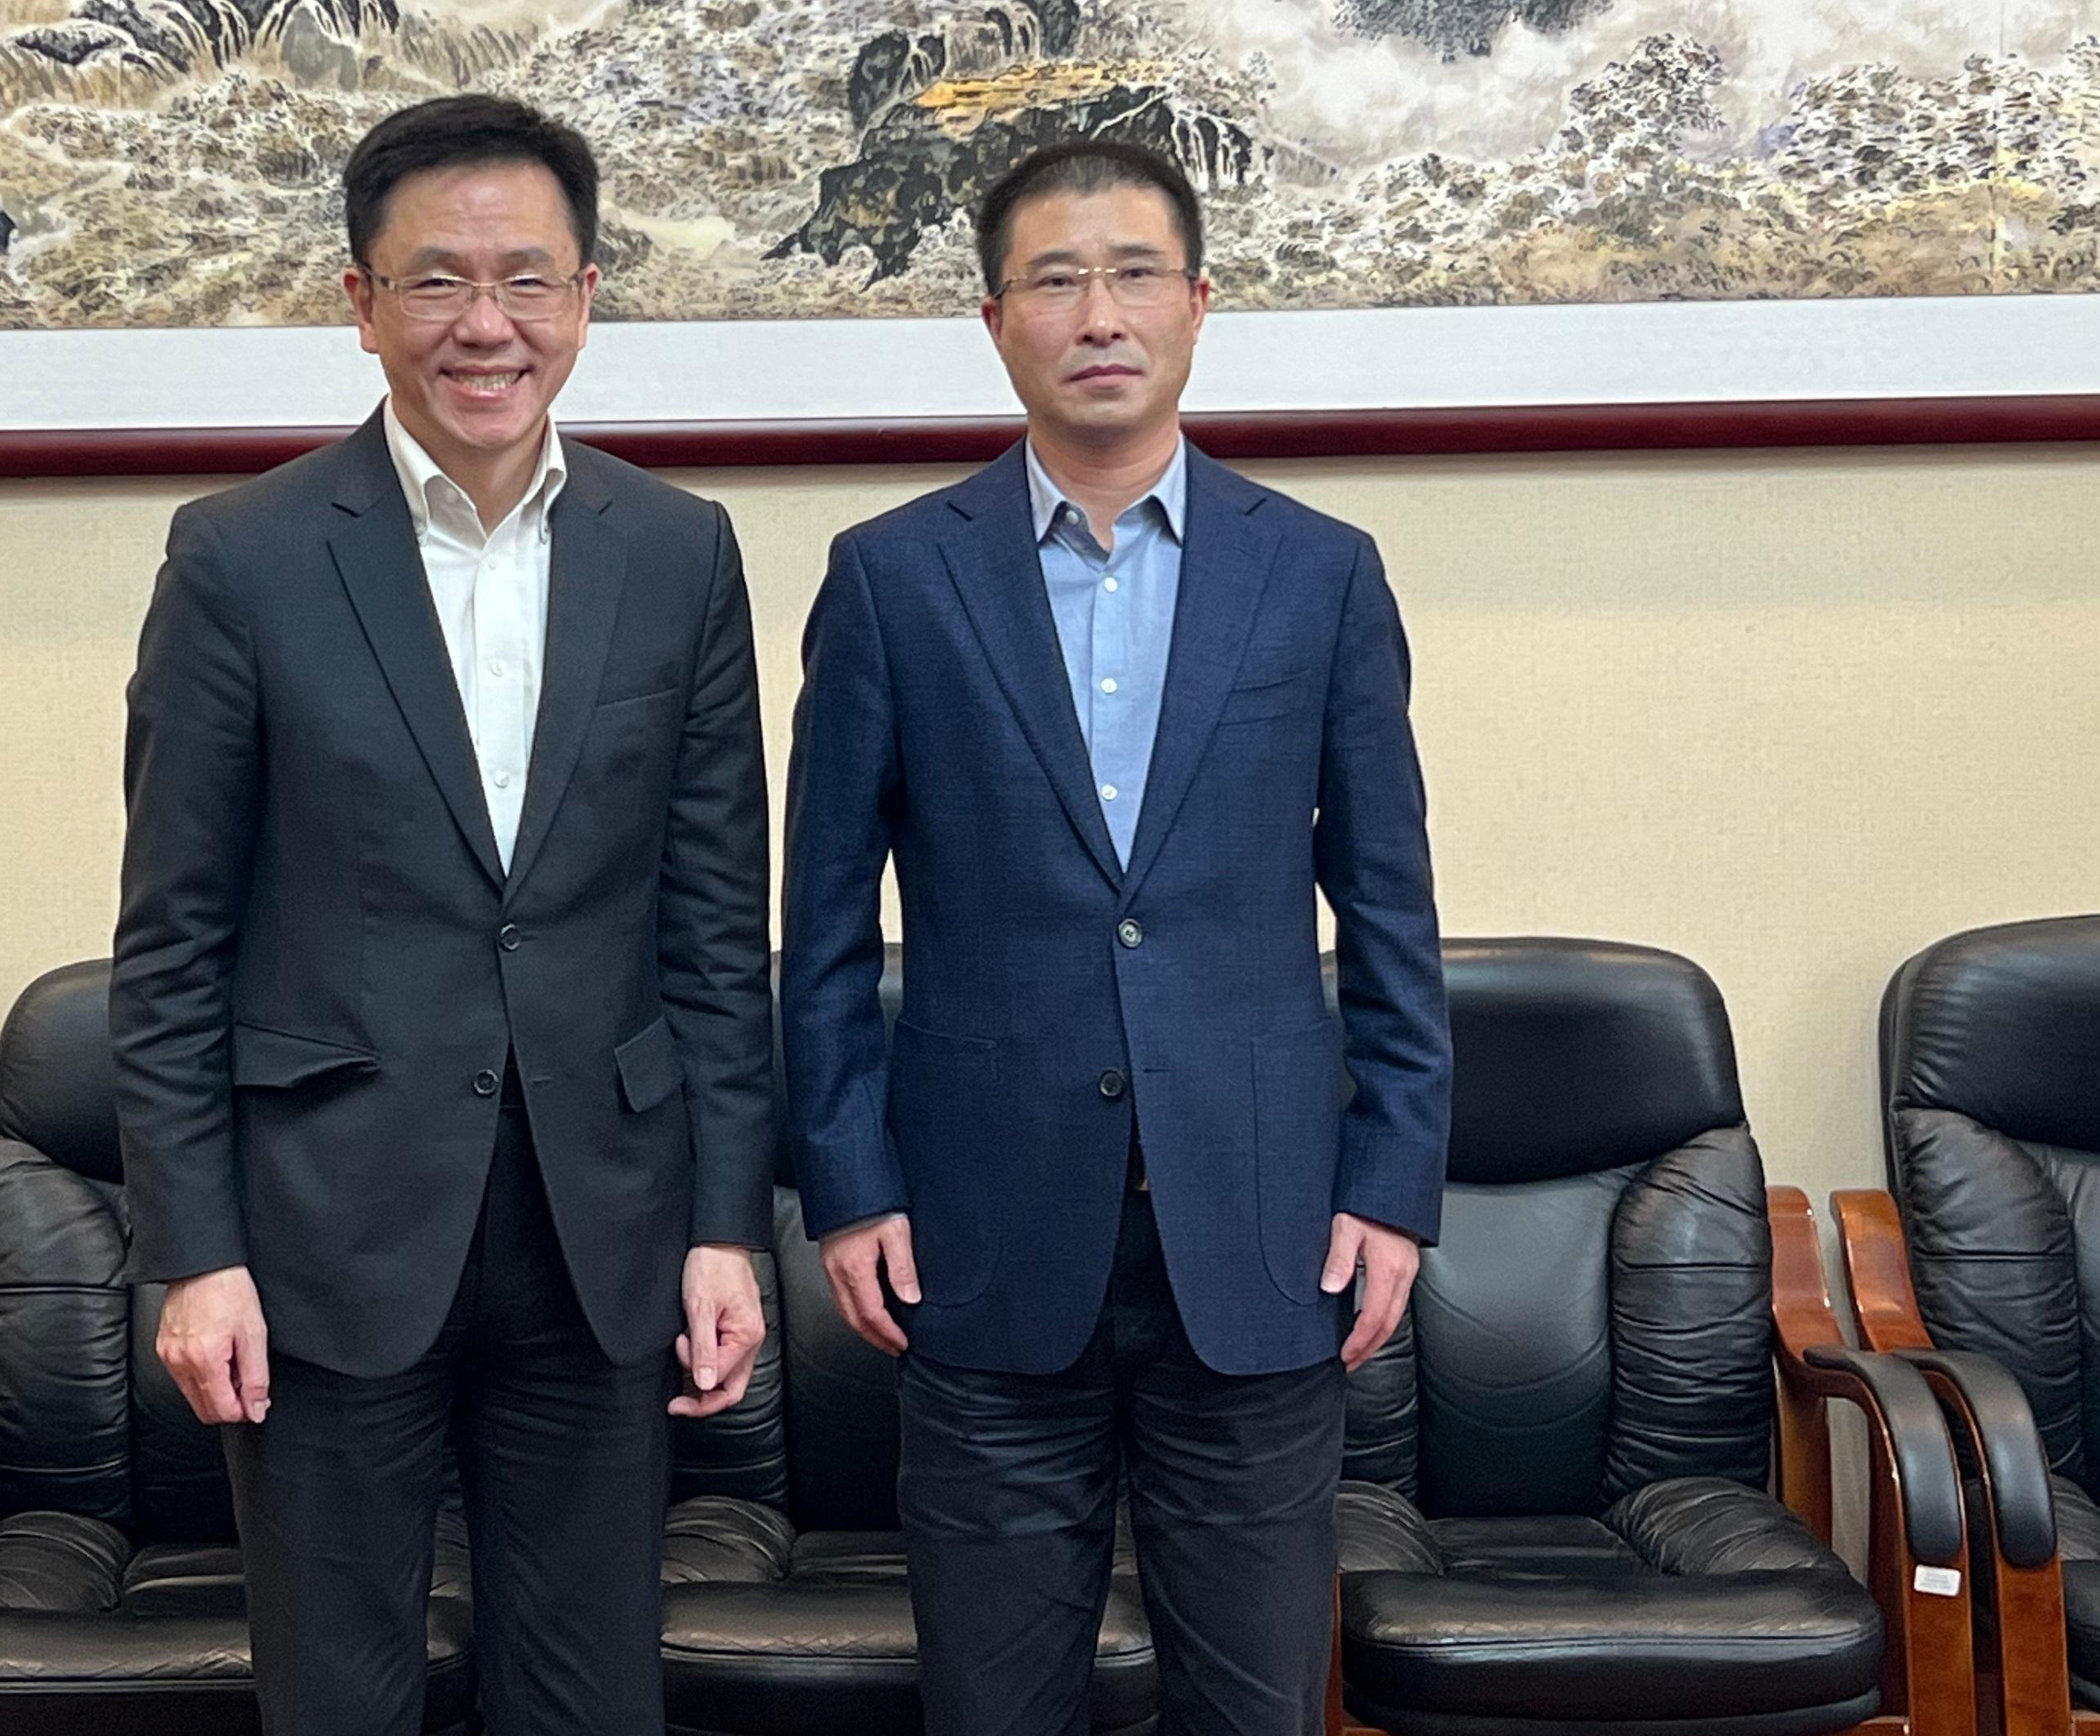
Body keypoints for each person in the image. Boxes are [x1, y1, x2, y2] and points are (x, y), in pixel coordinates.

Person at [111, 94, 775, 1736]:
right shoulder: (241, 559)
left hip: (596, 1232)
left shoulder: (676, 554)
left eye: (525, 280)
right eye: (436, 282)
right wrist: (195, 1257)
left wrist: (721, 1221)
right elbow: (170, 939)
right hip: (327, 1231)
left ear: (585, 298)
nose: (486, 325)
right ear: (360, 304)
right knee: (335, 1701)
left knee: (588, 1699)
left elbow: (711, 926)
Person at [779, 137, 1454, 1736]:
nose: (1098, 311)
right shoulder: (889, 582)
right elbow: (814, 927)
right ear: (997, 319)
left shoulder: (1316, 576)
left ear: (1197, 305)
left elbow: (1389, 909)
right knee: (992, 1707)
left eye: (1133, 271)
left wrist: (1389, 1183)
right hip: (981, 1241)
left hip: (1257, 1238)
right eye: (1055, 278)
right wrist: (848, 1184)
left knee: (1252, 1709)